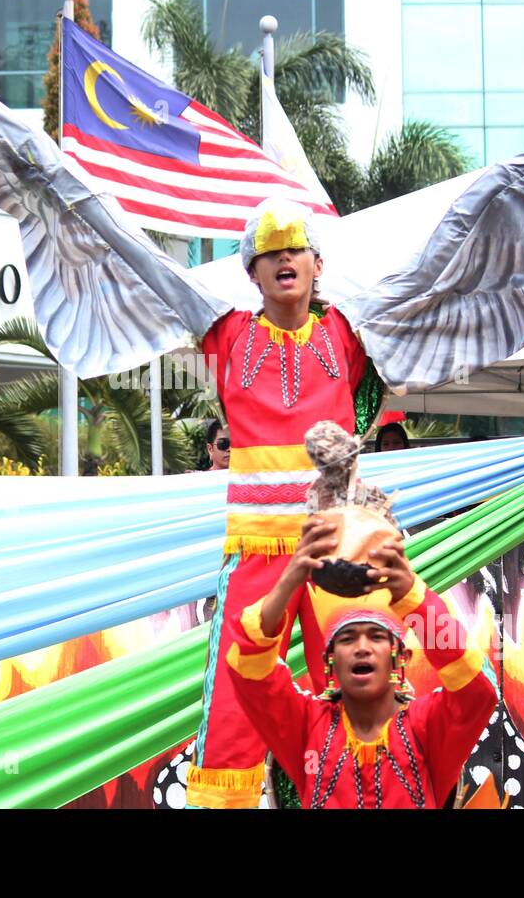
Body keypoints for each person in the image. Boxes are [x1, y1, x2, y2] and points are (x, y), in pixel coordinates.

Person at [187, 199, 377, 808]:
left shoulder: (348, 335)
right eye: (268, 253)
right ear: (251, 273)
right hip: (256, 553)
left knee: (361, 690)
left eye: (294, 249)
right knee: (234, 711)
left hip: (336, 551)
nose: (283, 259)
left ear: (318, 263)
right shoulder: (226, 338)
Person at [225, 518, 496, 808]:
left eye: (377, 637)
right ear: (329, 662)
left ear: (400, 658)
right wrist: (289, 581)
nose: (362, 648)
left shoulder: (426, 729)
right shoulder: (305, 728)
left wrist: (415, 599)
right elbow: (249, 667)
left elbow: (478, 688)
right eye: (348, 639)